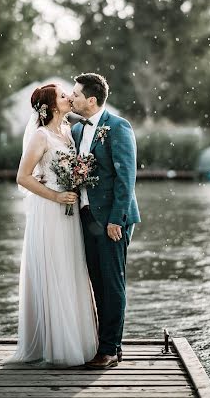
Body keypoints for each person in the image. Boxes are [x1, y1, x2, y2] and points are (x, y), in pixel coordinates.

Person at [6, 83, 98, 367]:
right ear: (50, 106)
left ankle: (76, 339)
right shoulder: (40, 136)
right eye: (62, 96)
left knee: (70, 270)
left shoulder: (69, 133)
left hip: (68, 214)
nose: (69, 97)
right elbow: (23, 177)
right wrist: (57, 196)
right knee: (54, 270)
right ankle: (57, 346)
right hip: (49, 212)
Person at [70, 73, 140, 369]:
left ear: (91, 100)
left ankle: (109, 350)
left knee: (113, 284)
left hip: (112, 220)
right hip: (86, 217)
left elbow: (126, 177)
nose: (71, 98)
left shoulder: (118, 127)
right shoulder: (75, 131)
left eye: (75, 94)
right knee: (97, 283)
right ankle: (110, 343)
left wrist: (116, 220)